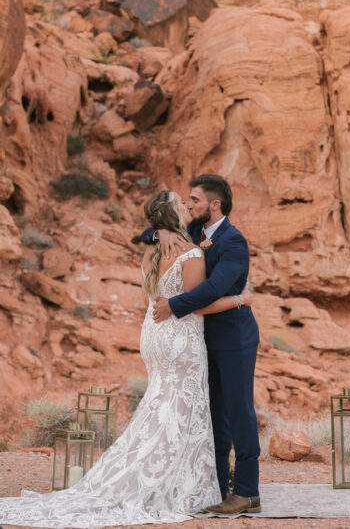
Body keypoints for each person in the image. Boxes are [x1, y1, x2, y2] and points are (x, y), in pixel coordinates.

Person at [0, 190, 247, 527]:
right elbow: (199, 305)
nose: (187, 206)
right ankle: (173, 482)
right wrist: (240, 299)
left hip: (153, 334)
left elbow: (151, 248)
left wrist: (158, 231)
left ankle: (149, 471)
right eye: (181, 203)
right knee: (181, 407)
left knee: (161, 403)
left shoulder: (152, 252)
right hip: (179, 337)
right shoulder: (189, 254)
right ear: (172, 214)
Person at [150, 173, 261, 515]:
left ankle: (246, 492)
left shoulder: (233, 241)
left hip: (234, 339)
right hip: (200, 340)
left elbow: (214, 290)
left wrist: (173, 305)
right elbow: (146, 233)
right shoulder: (195, 233)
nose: (190, 204)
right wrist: (162, 230)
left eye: (195, 200)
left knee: (238, 410)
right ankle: (216, 485)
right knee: (212, 413)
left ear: (215, 204)